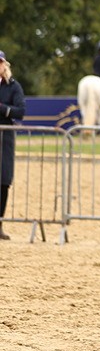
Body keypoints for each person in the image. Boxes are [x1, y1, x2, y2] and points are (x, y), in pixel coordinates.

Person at [0, 51, 27, 240]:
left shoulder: (13, 86)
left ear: (4, 65)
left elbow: (20, 111)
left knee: (3, 181)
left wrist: (1, 108)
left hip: (4, 138)